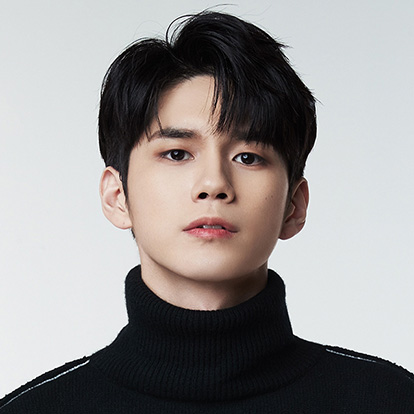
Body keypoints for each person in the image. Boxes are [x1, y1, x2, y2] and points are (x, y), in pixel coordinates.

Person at [0, 10, 412, 413]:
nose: (214, 183)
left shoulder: (390, 399)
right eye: (177, 154)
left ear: (294, 205)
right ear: (117, 196)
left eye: (248, 157)